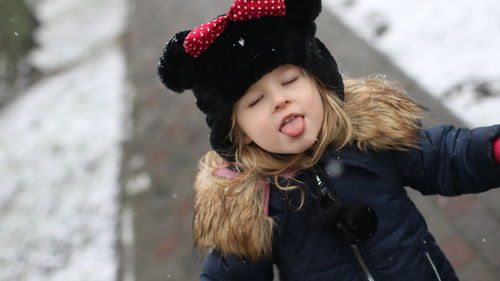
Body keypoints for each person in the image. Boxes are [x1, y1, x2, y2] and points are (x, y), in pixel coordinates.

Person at [157, 0, 500, 280]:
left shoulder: (370, 137)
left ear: (321, 85)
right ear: (240, 133)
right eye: (255, 101)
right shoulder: (250, 204)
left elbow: (444, 156)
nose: (280, 100)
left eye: (290, 80)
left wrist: (491, 150)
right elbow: (228, 275)